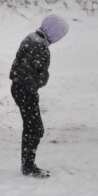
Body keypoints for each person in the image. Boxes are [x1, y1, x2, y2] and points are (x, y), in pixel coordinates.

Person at [10, 14, 69, 178]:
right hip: (25, 91)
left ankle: (28, 164)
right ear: (54, 31)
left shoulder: (33, 38)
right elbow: (29, 71)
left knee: (32, 128)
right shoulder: (39, 44)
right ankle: (28, 166)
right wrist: (34, 86)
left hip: (21, 88)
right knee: (34, 129)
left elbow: (23, 68)